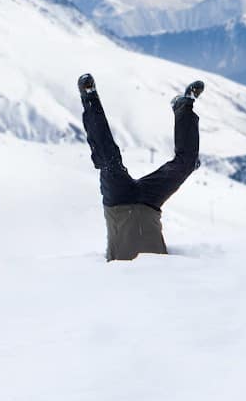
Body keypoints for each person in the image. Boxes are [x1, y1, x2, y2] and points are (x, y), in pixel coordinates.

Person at [78, 73, 205, 261]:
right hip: (149, 202)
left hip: (118, 201)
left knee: (108, 159)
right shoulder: (169, 275)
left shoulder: (117, 272)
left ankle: (89, 97)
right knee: (186, 163)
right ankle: (184, 106)